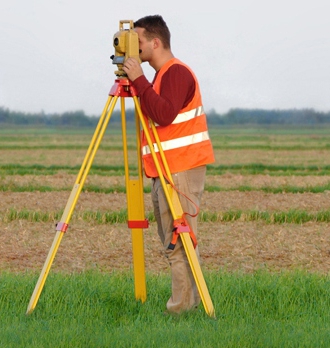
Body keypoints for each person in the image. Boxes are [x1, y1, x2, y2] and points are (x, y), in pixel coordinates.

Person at [122, 15, 215, 315]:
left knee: (179, 242)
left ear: (155, 42)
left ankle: (179, 311)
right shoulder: (160, 77)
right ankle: (186, 307)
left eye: (137, 42)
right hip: (168, 169)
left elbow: (164, 114)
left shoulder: (176, 73)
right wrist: (139, 83)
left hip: (180, 169)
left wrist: (137, 80)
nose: (132, 49)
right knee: (175, 244)